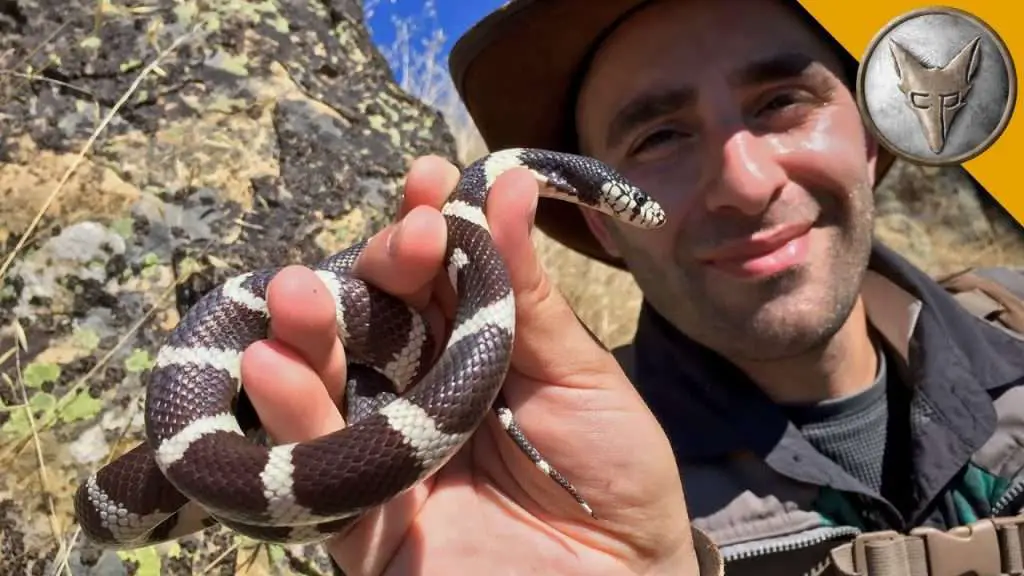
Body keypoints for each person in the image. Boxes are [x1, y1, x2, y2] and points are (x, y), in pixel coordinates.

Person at [238, 0, 1024, 574]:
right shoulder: (550, 476)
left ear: (874, 140)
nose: (745, 184)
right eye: (661, 137)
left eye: (782, 102)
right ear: (601, 223)